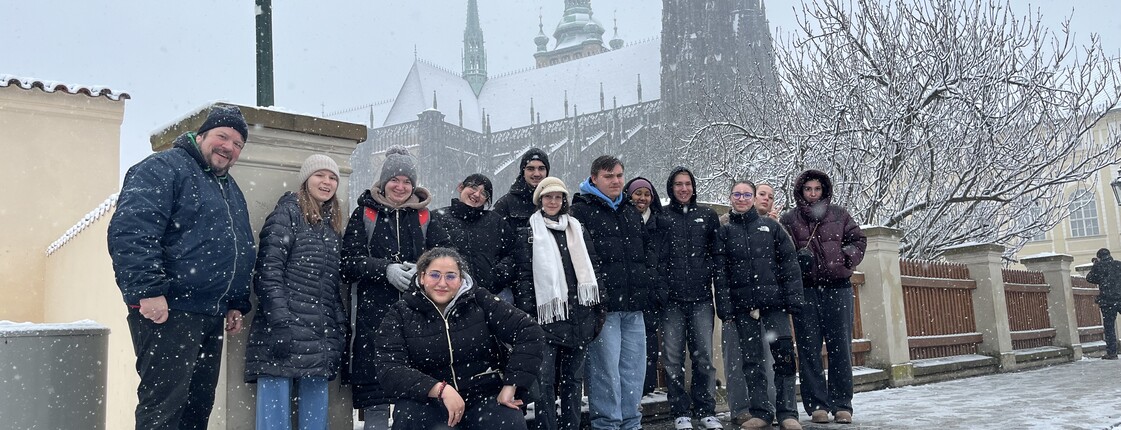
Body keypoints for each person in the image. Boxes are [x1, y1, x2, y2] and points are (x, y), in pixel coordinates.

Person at [107, 105, 255, 430]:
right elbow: (132, 231)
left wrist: (234, 302)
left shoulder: (230, 189)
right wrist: (148, 291)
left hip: (210, 315)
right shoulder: (163, 168)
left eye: (238, 144)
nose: (229, 147)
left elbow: (240, 248)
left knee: (197, 408)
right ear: (201, 135)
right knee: (164, 409)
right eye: (223, 136)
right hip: (169, 310)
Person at [341, 145, 451, 430]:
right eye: (394, 180)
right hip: (373, 322)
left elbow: (448, 259)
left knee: (417, 398)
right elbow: (348, 263)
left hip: (419, 321)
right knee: (376, 397)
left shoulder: (427, 217)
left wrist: (422, 270)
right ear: (383, 182)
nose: (400, 186)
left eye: (406, 181)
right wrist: (384, 270)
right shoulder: (364, 214)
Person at [375, 247, 546, 430]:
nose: (442, 283)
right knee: (409, 418)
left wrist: (511, 385)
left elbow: (529, 331)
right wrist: (440, 389)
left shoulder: (479, 301)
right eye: (434, 275)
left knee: (509, 422)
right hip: (428, 400)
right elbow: (389, 367)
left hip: (483, 394)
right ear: (422, 277)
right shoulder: (401, 313)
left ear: (461, 279)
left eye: (450, 276)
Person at [244, 154, 349, 430]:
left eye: (333, 177)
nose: (327, 182)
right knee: (273, 421)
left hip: (319, 338)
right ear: (306, 179)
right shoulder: (287, 213)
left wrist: (338, 328)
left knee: (315, 423)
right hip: (284, 331)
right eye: (320, 175)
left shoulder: (332, 226)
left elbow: (331, 286)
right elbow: (268, 272)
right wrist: (280, 323)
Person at [570, 155, 658, 430]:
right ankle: (607, 424)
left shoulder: (630, 211)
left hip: (634, 305)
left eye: (620, 175)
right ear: (594, 178)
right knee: (605, 372)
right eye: (609, 176)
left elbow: (645, 254)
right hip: (603, 306)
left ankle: (631, 423)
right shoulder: (580, 211)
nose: (616, 181)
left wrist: (648, 286)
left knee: (633, 370)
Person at [511, 177, 604, 430]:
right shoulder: (529, 234)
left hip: (579, 317)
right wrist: (530, 317)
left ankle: (571, 426)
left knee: (573, 382)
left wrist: (598, 309)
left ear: (564, 200)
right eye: (548, 196)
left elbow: (593, 269)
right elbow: (524, 280)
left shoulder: (577, 229)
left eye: (558, 197)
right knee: (545, 384)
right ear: (539, 200)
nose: (553, 201)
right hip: (546, 318)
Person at [779, 169, 866, 425]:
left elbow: (858, 241)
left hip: (838, 289)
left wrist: (843, 258)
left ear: (824, 190)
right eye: (808, 189)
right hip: (806, 291)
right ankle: (817, 404)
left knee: (841, 348)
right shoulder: (789, 219)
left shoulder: (840, 215)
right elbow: (782, 252)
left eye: (817, 189)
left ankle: (842, 405)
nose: (813, 194)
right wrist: (798, 261)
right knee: (808, 349)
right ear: (800, 191)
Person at [715, 181, 804, 430]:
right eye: (737, 194)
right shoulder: (724, 231)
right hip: (744, 309)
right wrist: (725, 308)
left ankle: (788, 413)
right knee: (752, 362)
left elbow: (789, 265)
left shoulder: (771, 227)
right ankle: (761, 412)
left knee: (784, 358)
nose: (741, 198)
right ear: (731, 197)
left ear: (753, 198)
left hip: (774, 306)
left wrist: (793, 300)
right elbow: (720, 275)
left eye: (746, 194)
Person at [658, 167, 723, 430]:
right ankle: (680, 411)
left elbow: (717, 255)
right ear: (671, 188)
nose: (683, 189)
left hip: (700, 299)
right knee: (673, 359)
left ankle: (706, 409)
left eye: (687, 184)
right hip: (671, 300)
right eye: (678, 184)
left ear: (694, 187)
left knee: (704, 357)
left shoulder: (707, 216)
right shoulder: (662, 217)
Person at [433, 173, 516, 296]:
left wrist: (498, 275)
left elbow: (512, 253)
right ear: (461, 187)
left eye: (484, 193)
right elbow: (427, 253)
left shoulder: (496, 222)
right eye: (473, 187)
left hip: (490, 295)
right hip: (449, 295)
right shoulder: (437, 218)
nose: (477, 194)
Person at [624, 177, 666, 397]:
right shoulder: (622, 220)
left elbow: (666, 259)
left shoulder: (659, 223)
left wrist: (660, 290)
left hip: (652, 293)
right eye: (637, 193)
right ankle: (630, 390)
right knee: (628, 346)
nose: (642, 198)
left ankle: (646, 388)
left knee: (649, 342)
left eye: (646, 194)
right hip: (628, 291)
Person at [493, 149, 551, 302]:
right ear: (522, 171)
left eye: (541, 168)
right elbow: (494, 245)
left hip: (550, 280)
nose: (536, 173)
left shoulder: (555, 201)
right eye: (530, 168)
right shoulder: (506, 203)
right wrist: (507, 271)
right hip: (517, 283)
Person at [1087, 248, 1121, 360]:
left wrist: (1096, 265)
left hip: (1107, 301)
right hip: (1120, 298)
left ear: (1099, 257)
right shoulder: (1118, 264)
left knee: (1109, 327)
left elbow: (1090, 278)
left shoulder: (1099, 266)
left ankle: (1112, 353)